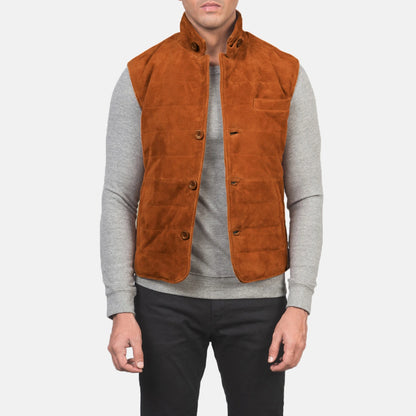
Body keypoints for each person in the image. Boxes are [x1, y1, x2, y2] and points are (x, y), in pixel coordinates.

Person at [100, 1, 323, 415]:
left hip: (259, 302)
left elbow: (306, 196)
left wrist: (299, 304)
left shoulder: (285, 72)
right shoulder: (142, 74)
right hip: (163, 300)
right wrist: (121, 307)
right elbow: (119, 197)